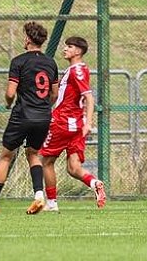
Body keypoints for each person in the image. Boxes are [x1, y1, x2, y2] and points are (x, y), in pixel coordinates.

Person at [0, 21, 59, 216]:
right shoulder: (51, 63)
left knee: (6, 156)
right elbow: (54, 94)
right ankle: (38, 195)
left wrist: (9, 104)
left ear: (27, 38)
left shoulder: (18, 61)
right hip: (44, 116)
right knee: (33, 154)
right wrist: (44, 107)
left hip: (22, 114)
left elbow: (10, 93)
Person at [40, 36, 106, 211]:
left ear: (78, 51)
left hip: (63, 122)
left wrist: (89, 122)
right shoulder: (77, 69)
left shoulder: (77, 70)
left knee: (46, 162)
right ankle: (95, 183)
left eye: (69, 47)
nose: (65, 49)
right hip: (76, 124)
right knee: (73, 168)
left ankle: (52, 203)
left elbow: (89, 97)